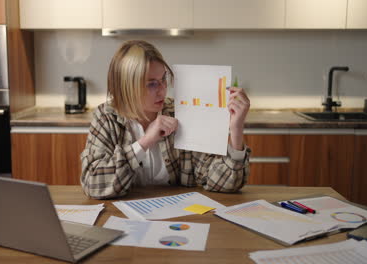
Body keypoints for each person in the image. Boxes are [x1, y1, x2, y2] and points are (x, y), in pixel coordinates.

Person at [80, 40, 251, 199]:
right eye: (152, 83)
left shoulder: (180, 113)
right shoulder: (106, 116)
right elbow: (93, 184)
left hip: (176, 217)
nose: (162, 90)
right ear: (128, 87)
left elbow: (223, 183)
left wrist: (236, 130)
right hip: (120, 216)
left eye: (163, 79)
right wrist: (145, 142)